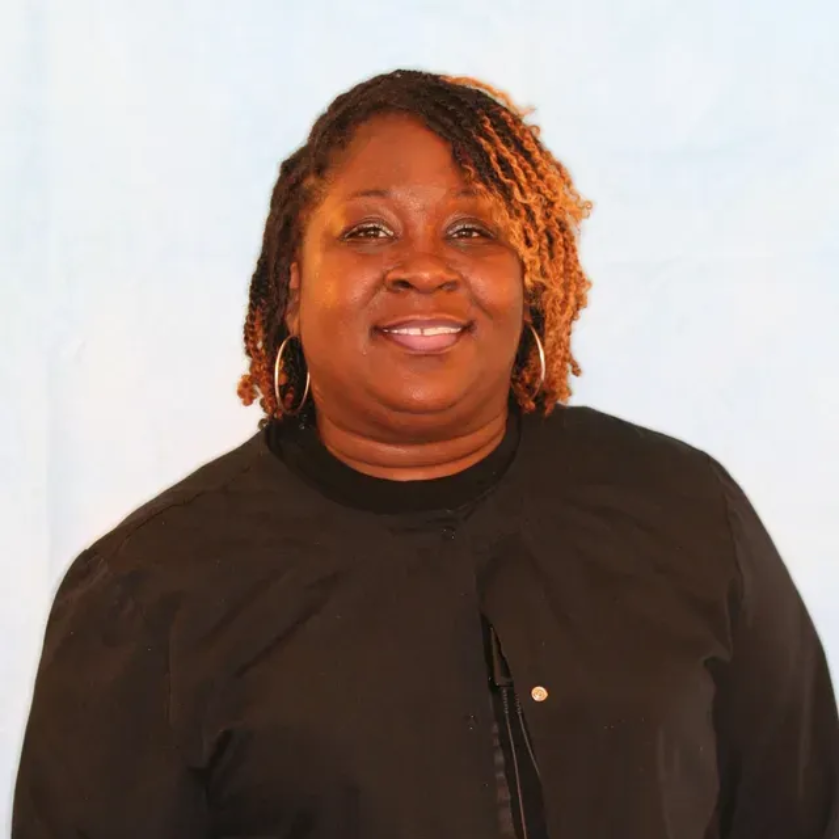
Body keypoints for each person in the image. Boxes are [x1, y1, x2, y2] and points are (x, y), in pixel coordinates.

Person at [12, 69, 838, 839]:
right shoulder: (146, 596)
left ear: (531, 279)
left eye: (471, 230)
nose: (423, 267)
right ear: (292, 287)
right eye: (370, 230)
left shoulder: (683, 511)